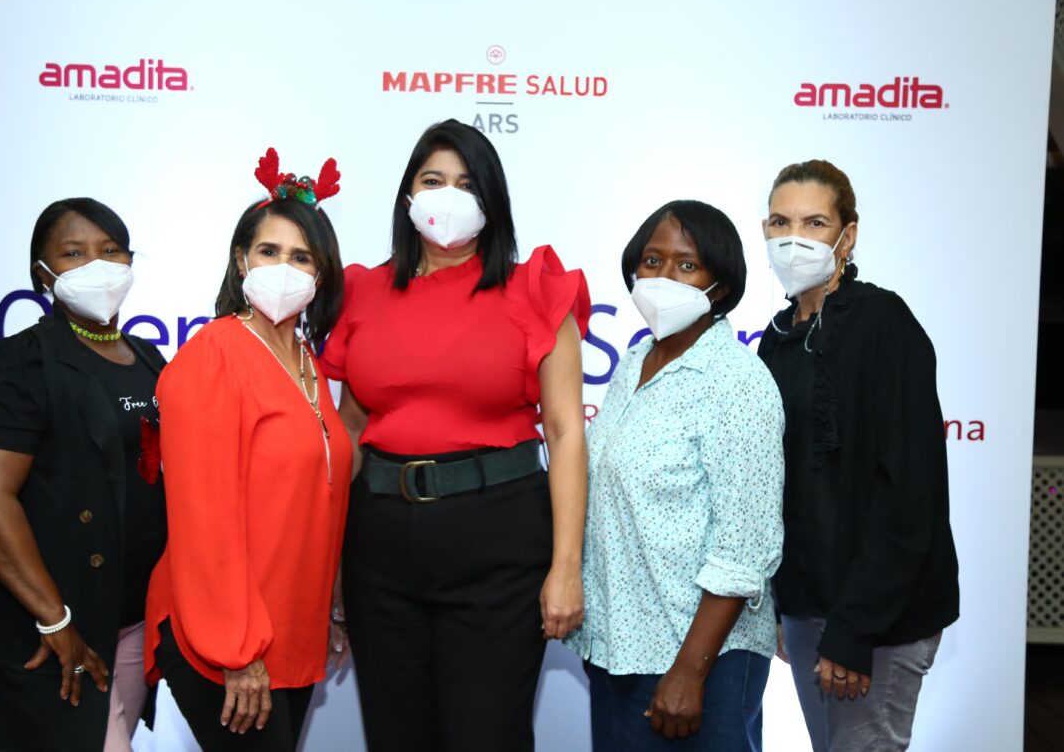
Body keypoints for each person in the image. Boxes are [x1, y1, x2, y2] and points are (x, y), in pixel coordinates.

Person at [318, 119, 590, 752]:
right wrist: (328, 564)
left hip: (498, 543)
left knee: (485, 738)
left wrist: (566, 569)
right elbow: (349, 433)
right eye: (432, 180)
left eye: (466, 183)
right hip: (379, 544)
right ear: (407, 195)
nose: (447, 196)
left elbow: (566, 433)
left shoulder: (535, 288)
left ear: (491, 200)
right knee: (396, 737)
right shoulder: (362, 291)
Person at [143, 148, 352, 751]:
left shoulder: (307, 365)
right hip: (224, 640)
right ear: (241, 261)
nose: (283, 267)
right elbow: (205, 519)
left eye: (301, 256)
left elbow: (319, 497)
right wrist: (236, 650)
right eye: (269, 251)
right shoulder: (213, 356)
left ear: (320, 274)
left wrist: (333, 603)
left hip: (289, 630)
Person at [566, 200, 785, 750]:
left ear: (721, 282)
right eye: (652, 260)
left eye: (687, 265)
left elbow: (745, 547)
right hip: (618, 649)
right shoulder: (636, 362)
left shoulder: (738, 381)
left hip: (700, 661)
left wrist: (690, 671)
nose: (664, 276)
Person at [757, 160, 959, 751]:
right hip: (806, 610)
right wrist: (780, 608)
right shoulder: (775, 338)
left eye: (814, 222)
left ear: (848, 234)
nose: (794, 237)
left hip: (878, 621)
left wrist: (854, 630)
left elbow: (909, 493)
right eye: (780, 221)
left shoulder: (884, 323)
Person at [0, 198, 168, 751]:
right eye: (73, 254)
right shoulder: (23, 360)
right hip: (56, 628)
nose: (96, 265)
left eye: (110, 250)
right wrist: (56, 622)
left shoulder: (151, 360)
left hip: (129, 624)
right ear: (43, 274)